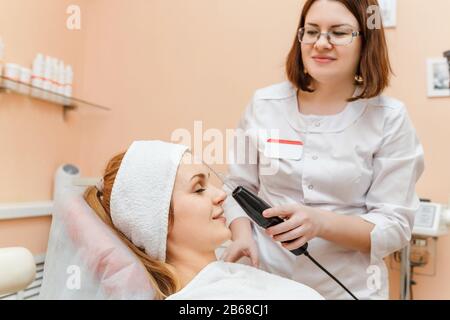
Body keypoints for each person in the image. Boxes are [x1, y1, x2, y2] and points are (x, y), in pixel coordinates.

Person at [222, 0, 425, 299]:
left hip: (348, 289)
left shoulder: (389, 118)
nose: (321, 43)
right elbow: (237, 187)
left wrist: (320, 223)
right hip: (266, 281)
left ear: (366, 42)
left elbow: (394, 226)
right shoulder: (264, 105)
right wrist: (241, 235)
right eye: (312, 31)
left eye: (339, 33)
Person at [84, 140, 324, 300]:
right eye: (198, 189)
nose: (221, 195)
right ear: (159, 219)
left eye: (209, 183)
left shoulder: (231, 280)